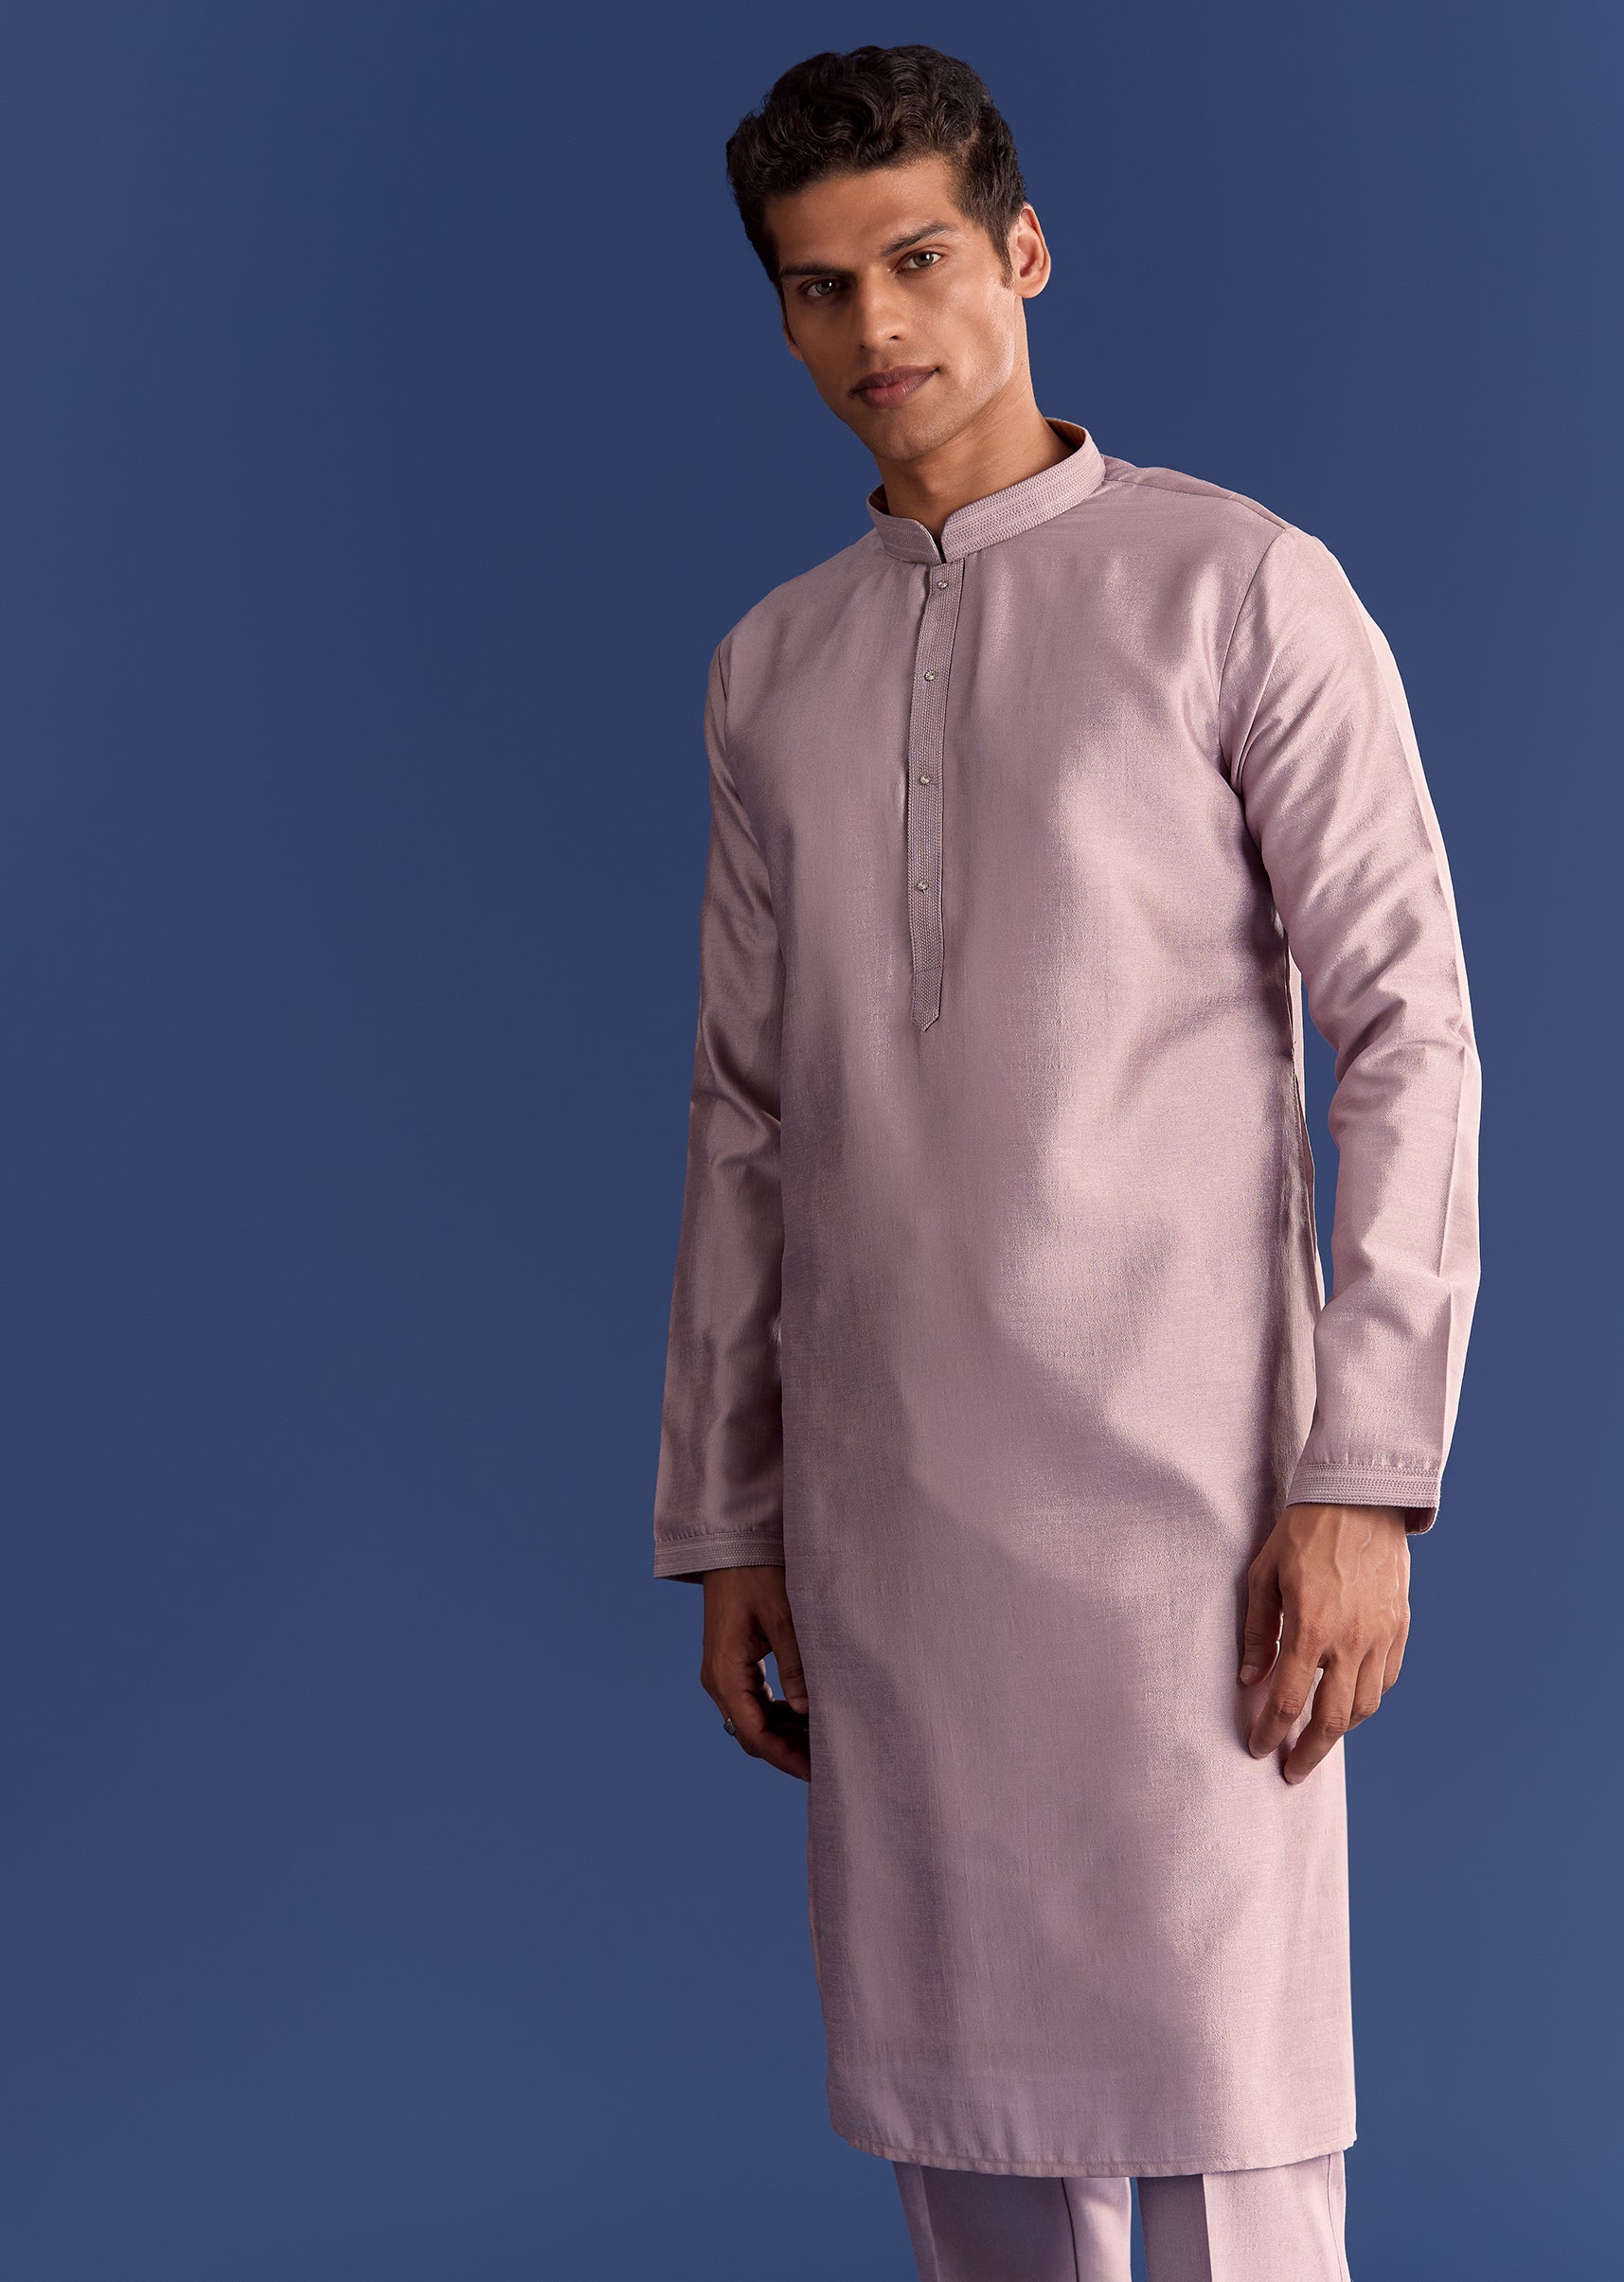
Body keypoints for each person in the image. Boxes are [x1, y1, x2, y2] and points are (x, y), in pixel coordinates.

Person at [651, 43, 1481, 2282]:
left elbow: (1411, 1028)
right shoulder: (771, 672)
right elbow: (747, 1107)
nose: (877, 326)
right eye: (819, 286)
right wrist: (731, 1513)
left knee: (1228, 2128)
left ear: (1022, 252)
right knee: (973, 2157)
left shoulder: (1240, 588)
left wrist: (1366, 1473)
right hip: (894, 1524)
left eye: (919, 258)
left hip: (1198, 1519)